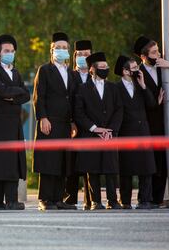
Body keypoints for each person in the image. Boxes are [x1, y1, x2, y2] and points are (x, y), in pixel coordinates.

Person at [133, 36, 169, 207]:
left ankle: (157, 199)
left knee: (164, 163)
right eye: (153, 52)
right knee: (149, 163)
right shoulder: (138, 73)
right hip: (147, 124)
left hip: (167, 125)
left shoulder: (163, 68)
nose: (158, 54)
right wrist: (154, 101)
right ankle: (146, 199)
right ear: (143, 56)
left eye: (158, 50)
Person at [0, 34, 30, 210]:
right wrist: (14, 94)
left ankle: (11, 200)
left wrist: (13, 95)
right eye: (6, 51)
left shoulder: (16, 73)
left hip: (14, 123)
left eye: (12, 51)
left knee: (12, 161)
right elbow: (2, 91)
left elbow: (26, 95)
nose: (10, 53)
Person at [32, 32, 77, 210]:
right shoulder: (44, 70)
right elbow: (38, 96)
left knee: (62, 161)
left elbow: (73, 99)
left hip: (65, 123)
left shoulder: (71, 73)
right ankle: (45, 199)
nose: (61, 50)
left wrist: (73, 121)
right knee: (48, 160)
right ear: (51, 50)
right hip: (49, 122)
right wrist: (42, 117)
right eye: (58, 48)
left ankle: (58, 198)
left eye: (64, 48)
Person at [74, 52, 123, 210]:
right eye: (101, 67)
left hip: (109, 135)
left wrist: (111, 129)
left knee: (111, 169)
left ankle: (112, 200)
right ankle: (95, 201)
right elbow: (79, 113)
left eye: (106, 67)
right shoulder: (82, 89)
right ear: (92, 69)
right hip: (90, 135)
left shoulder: (113, 88)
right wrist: (95, 128)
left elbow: (119, 110)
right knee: (92, 169)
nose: (105, 69)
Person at [114, 55, 156, 209]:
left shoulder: (140, 85)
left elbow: (151, 104)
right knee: (126, 170)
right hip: (126, 132)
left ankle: (145, 200)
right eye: (134, 68)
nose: (137, 70)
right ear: (125, 71)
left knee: (146, 168)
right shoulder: (115, 88)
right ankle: (125, 201)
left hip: (142, 131)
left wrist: (144, 85)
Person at [64, 39, 93, 210]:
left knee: (90, 163)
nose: (83, 57)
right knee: (72, 163)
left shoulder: (95, 76)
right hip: (73, 126)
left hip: (91, 126)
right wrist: (71, 122)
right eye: (80, 55)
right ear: (74, 56)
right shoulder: (68, 75)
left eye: (87, 55)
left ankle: (91, 199)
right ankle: (70, 199)